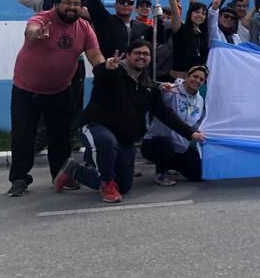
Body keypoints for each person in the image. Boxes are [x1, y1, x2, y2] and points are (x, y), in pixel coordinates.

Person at [53, 40, 205, 202]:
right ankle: (107, 184)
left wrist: (190, 134)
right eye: (137, 53)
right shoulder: (114, 71)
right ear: (129, 55)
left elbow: (165, 114)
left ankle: (74, 171)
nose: (142, 56)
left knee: (124, 186)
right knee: (106, 142)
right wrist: (106, 68)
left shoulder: (149, 86)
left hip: (124, 138)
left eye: (146, 54)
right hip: (95, 126)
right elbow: (101, 74)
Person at [7, 0, 104, 197]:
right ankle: (19, 178)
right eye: (67, 3)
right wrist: (36, 33)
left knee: (60, 137)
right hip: (26, 90)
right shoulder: (43, 18)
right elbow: (31, 29)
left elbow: (95, 56)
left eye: (76, 4)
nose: (72, 7)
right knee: (23, 136)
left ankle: (60, 176)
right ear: (58, 4)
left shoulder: (84, 28)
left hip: (60, 91)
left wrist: (107, 69)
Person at [141, 65, 208, 186]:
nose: (197, 80)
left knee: (198, 175)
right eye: (195, 76)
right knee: (165, 146)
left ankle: (173, 165)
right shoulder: (172, 89)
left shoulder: (200, 100)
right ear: (187, 76)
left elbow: (198, 121)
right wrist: (161, 88)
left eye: (201, 79)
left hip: (181, 145)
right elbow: (157, 96)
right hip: (156, 142)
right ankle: (160, 173)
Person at [167, 0, 215, 78]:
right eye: (197, 12)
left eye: (203, 13)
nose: (200, 15)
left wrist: (193, 4)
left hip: (195, 84)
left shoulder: (202, 35)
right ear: (190, 13)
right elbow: (175, 11)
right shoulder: (180, 29)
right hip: (177, 81)